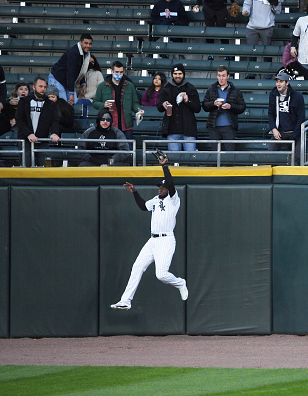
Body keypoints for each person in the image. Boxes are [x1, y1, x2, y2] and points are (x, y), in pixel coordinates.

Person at [110, 156, 188, 310]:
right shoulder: (156, 199)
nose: (160, 189)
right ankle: (126, 301)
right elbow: (143, 207)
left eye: (163, 188)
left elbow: (171, 184)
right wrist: (134, 192)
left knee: (161, 275)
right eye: (159, 187)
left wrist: (165, 166)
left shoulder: (173, 199)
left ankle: (180, 283)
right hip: (152, 241)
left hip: (166, 240)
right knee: (137, 267)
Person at [15, 76, 60, 167]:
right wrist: (28, 134)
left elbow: (54, 120)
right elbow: (19, 120)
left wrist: (54, 133)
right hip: (25, 141)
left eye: (44, 87)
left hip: (42, 141)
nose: (43, 89)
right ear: (34, 87)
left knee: (44, 168)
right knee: (26, 167)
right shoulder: (24, 101)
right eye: (40, 86)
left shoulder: (50, 104)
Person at [93, 61, 144, 141]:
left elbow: (134, 103)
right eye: (117, 72)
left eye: (121, 72)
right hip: (109, 124)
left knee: (128, 150)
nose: (119, 74)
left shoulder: (129, 85)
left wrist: (138, 110)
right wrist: (104, 105)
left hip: (126, 124)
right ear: (112, 71)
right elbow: (95, 103)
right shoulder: (102, 86)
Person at [157, 64, 201, 151]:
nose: (177, 76)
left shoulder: (191, 88)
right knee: (174, 160)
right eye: (175, 73)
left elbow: (197, 108)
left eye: (180, 73)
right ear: (172, 74)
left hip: (188, 130)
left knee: (190, 159)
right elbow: (159, 107)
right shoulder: (166, 88)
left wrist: (187, 101)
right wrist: (163, 104)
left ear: (183, 74)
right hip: (172, 129)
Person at [202, 66, 246, 151]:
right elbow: (204, 105)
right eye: (219, 75)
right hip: (213, 126)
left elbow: (242, 107)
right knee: (215, 154)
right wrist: (213, 103)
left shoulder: (235, 91)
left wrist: (231, 106)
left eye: (223, 76)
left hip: (229, 126)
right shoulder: (211, 89)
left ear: (228, 76)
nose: (221, 78)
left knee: (229, 155)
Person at [268, 70, 305, 165]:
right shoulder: (273, 95)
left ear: (287, 83)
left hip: (294, 132)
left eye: (281, 81)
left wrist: (294, 135)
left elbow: (301, 117)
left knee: (297, 157)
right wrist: (273, 129)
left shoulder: (297, 96)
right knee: (269, 155)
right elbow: (271, 113)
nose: (278, 84)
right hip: (280, 132)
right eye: (277, 81)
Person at [49, 34, 93, 105]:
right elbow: (71, 73)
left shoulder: (86, 54)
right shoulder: (74, 52)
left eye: (90, 44)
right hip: (57, 79)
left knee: (73, 103)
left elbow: (82, 69)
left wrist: (83, 83)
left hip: (67, 81)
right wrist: (71, 93)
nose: (88, 46)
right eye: (86, 43)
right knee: (62, 105)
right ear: (80, 42)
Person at [242, 0, 281, 78]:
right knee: (251, 53)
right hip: (252, 26)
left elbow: (278, 11)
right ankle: (251, 74)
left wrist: (274, 4)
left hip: (267, 26)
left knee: (267, 53)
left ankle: (268, 75)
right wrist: (245, 11)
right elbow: (247, 4)